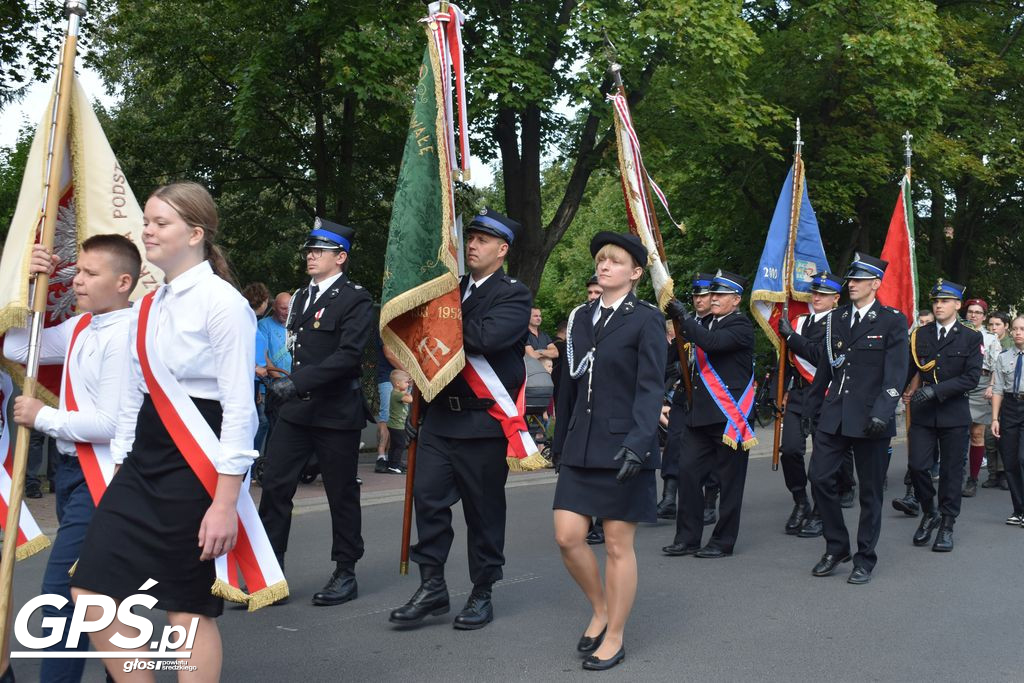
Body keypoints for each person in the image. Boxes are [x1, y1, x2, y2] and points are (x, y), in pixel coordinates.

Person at [70, 181, 263, 678]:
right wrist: (122, 470)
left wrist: (225, 503)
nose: (148, 230)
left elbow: (242, 411)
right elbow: (136, 396)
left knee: (184, 607)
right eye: (148, 220)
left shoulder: (224, 304)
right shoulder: (149, 305)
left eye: (161, 222)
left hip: (196, 464)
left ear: (195, 233)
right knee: (91, 586)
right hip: (144, 462)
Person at [3, 236, 139, 683]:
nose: (77, 280)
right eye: (77, 270)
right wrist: (29, 285)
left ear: (123, 282)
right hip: (73, 473)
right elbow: (20, 349)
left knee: (62, 594)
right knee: (101, 595)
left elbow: (110, 424)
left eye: (90, 273)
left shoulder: (127, 333)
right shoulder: (83, 326)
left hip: (103, 476)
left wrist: (43, 415)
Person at [389, 208, 531, 630]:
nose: (472, 244)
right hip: (439, 422)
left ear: (502, 250)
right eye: (470, 237)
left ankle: (482, 590)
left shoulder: (513, 294)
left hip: (483, 425)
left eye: (483, 240)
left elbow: (486, 338)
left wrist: (438, 321)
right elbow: (426, 350)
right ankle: (431, 585)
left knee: (483, 513)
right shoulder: (446, 289)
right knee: (428, 503)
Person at [551, 231, 665, 672]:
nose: (604, 266)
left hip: (623, 446)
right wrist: (560, 441)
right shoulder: (580, 316)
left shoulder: (646, 319)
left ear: (635, 274)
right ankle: (600, 607)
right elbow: (568, 384)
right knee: (567, 536)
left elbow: (650, 386)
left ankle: (614, 634)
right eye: (601, 259)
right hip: (581, 444)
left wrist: (640, 444)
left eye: (615, 261)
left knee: (618, 545)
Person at [258, 217, 373, 607]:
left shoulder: (355, 298)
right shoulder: (302, 297)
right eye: (309, 249)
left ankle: (346, 570)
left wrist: (299, 383)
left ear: (340, 257)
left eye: (319, 251)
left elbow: (349, 355)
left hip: (336, 410)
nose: (311, 255)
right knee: (274, 486)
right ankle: (270, 573)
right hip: (298, 410)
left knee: (341, 493)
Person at [805, 252, 908, 584]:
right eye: (850, 279)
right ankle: (837, 547)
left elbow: (896, 374)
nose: (852, 285)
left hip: (870, 418)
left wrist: (882, 412)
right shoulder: (835, 319)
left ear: (875, 284)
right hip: (834, 415)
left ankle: (865, 557)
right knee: (819, 478)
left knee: (870, 493)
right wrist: (810, 410)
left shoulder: (892, 320)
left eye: (859, 280)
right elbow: (825, 369)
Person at [663, 269, 757, 558]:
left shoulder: (740, 326)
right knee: (688, 475)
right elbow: (677, 357)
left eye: (720, 294)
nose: (713, 298)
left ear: (736, 300)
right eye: (712, 293)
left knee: (729, 483)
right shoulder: (703, 324)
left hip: (730, 418)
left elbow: (713, 344)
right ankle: (687, 538)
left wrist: (686, 319)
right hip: (699, 416)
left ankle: (722, 541)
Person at [903, 279, 981, 551]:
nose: (938, 305)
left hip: (953, 411)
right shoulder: (919, 335)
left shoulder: (971, 337)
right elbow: (909, 370)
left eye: (945, 301)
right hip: (923, 412)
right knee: (917, 466)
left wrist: (936, 391)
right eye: (936, 301)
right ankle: (929, 512)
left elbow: (971, 377)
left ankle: (947, 524)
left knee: (950, 472)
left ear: (958, 305)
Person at [777, 271, 842, 535]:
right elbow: (783, 363)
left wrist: (791, 337)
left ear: (836, 298)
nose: (817, 297)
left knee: (822, 459)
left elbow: (819, 356)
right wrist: (776, 393)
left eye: (824, 294)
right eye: (815, 292)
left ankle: (820, 511)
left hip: (826, 395)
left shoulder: (839, 324)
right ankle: (800, 501)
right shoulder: (800, 322)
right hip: (799, 395)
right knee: (790, 450)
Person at [656, 272, 714, 522]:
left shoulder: (719, 324)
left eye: (704, 296)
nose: (698, 300)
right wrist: (674, 368)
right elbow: (666, 362)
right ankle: (669, 497)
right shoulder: (683, 329)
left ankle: (710, 501)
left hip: (712, 397)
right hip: (684, 396)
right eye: (696, 296)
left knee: (711, 450)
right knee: (674, 443)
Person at [963, 298, 1003, 494]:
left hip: (981, 384)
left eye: (978, 312)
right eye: (970, 311)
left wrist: (992, 385)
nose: (973, 315)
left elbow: (997, 365)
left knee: (977, 434)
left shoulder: (991, 339)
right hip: (959, 383)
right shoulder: (957, 333)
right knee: (954, 431)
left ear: (984, 317)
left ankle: (973, 478)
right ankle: (953, 474)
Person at [990, 315, 1024, 526]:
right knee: (1010, 460)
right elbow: (998, 389)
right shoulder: (1004, 357)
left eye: (1022, 328)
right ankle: (1018, 510)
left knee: (1023, 458)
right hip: (1010, 408)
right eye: (1015, 329)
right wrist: (995, 418)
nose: (1018, 332)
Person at [257, 291, 293, 447]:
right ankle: (254, 462)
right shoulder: (264, 325)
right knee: (263, 423)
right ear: (274, 307)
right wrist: (280, 379)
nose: (286, 312)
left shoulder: (296, 326)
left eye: (289, 308)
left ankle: (272, 463)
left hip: (290, 387)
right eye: (283, 308)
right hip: (269, 387)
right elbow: (263, 356)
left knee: (281, 427)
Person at [373, 338, 403, 473]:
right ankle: (381, 457)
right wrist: (409, 372)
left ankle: (392, 460)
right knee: (386, 417)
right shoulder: (385, 327)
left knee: (397, 418)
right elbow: (389, 354)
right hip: (389, 378)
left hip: (403, 379)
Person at [386, 369, 413, 473]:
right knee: (400, 445)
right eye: (406, 382)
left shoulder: (396, 392)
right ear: (397, 383)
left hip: (394, 425)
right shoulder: (397, 394)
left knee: (394, 445)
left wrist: (406, 388)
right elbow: (410, 400)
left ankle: (392, 463)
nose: (407, 384)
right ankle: (394, 465)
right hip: (397, 426)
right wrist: (410, 389)